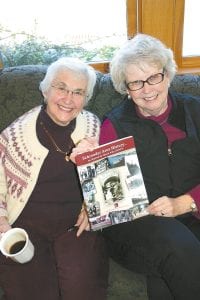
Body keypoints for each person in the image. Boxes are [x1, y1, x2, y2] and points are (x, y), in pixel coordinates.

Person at [98, 34, 200, 299]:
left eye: (154, 77)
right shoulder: (113, 126)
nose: (147, 89)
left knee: (172, 268)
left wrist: (188, 202)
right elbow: (109, 201)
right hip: (139, 224)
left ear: (167, 76)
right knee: (178, 247)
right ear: (126, 88)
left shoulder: (196, 112)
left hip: (191, 214)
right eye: (136, 83)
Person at [0, 57, 108, 300]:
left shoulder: (93, 126)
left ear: (86, 98)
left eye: (78, 92)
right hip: (26, 227)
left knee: (83, 289)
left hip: (75, 226)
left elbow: (111, 183)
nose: (69, 99)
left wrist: (94, 207)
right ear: (46, 89)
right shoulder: (14, 135)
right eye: (61, 88)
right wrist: (3, 224)